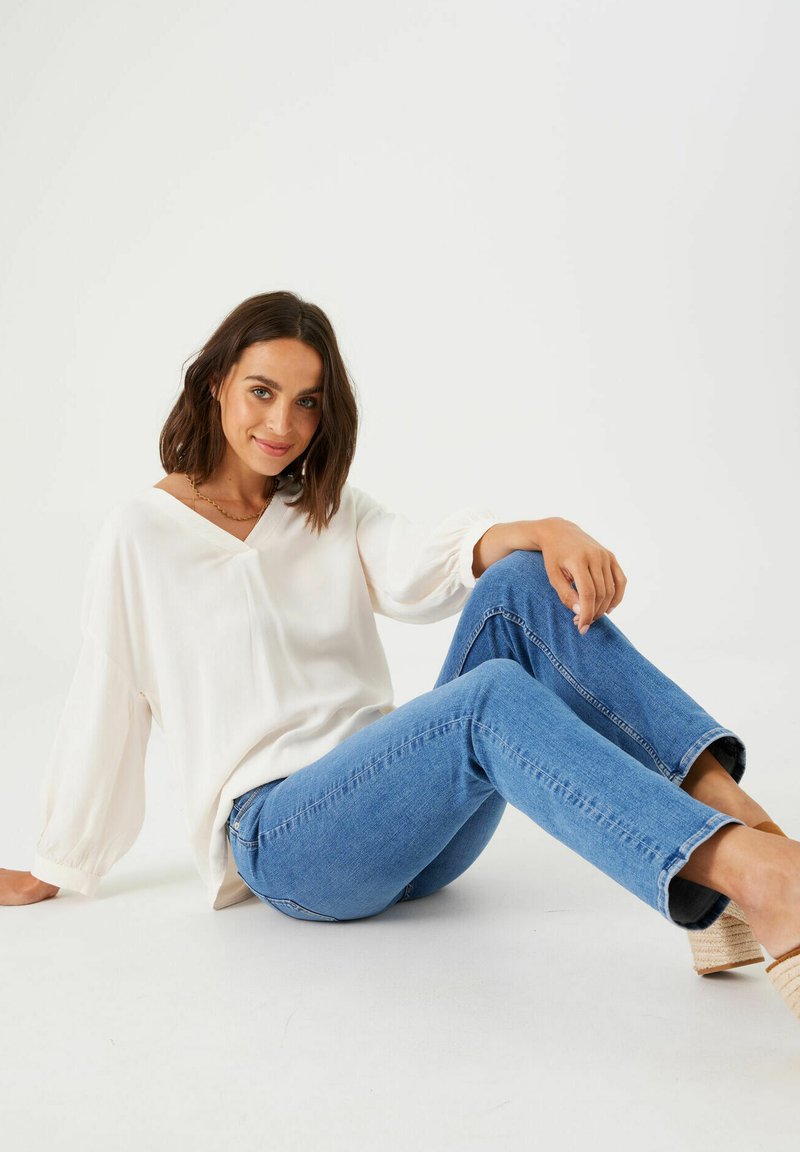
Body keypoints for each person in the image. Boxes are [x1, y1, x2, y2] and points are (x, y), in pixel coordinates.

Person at [2, 290, 798, 1022]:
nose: (283, 423)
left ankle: (754, 835)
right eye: (262, 391)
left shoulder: (326, 509)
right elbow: (106, 693)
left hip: (408, 819)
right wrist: (56, 863)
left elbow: (431, 566)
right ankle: (757, 878)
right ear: (216, 384)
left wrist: (547, 529)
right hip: (288, 842)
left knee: (519, 580)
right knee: (488, 697)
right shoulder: (141, 534)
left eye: (307, 402)